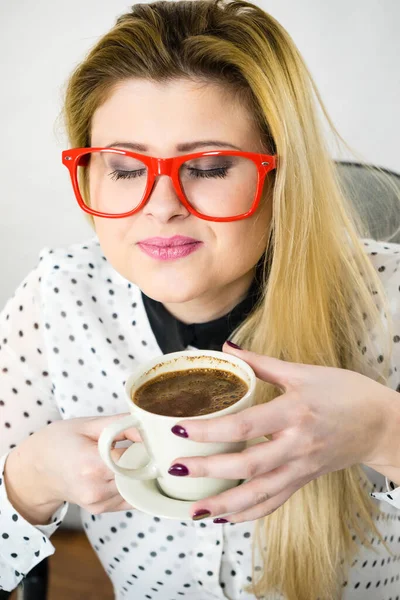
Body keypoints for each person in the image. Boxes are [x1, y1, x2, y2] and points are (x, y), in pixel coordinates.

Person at [0, 0, 399, 598]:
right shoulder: (55, 298)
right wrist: (27, 482)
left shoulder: (387, 296)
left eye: (210, 166)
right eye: (125, 168)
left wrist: (384, 435)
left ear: (279, 178)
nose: (162, 204)